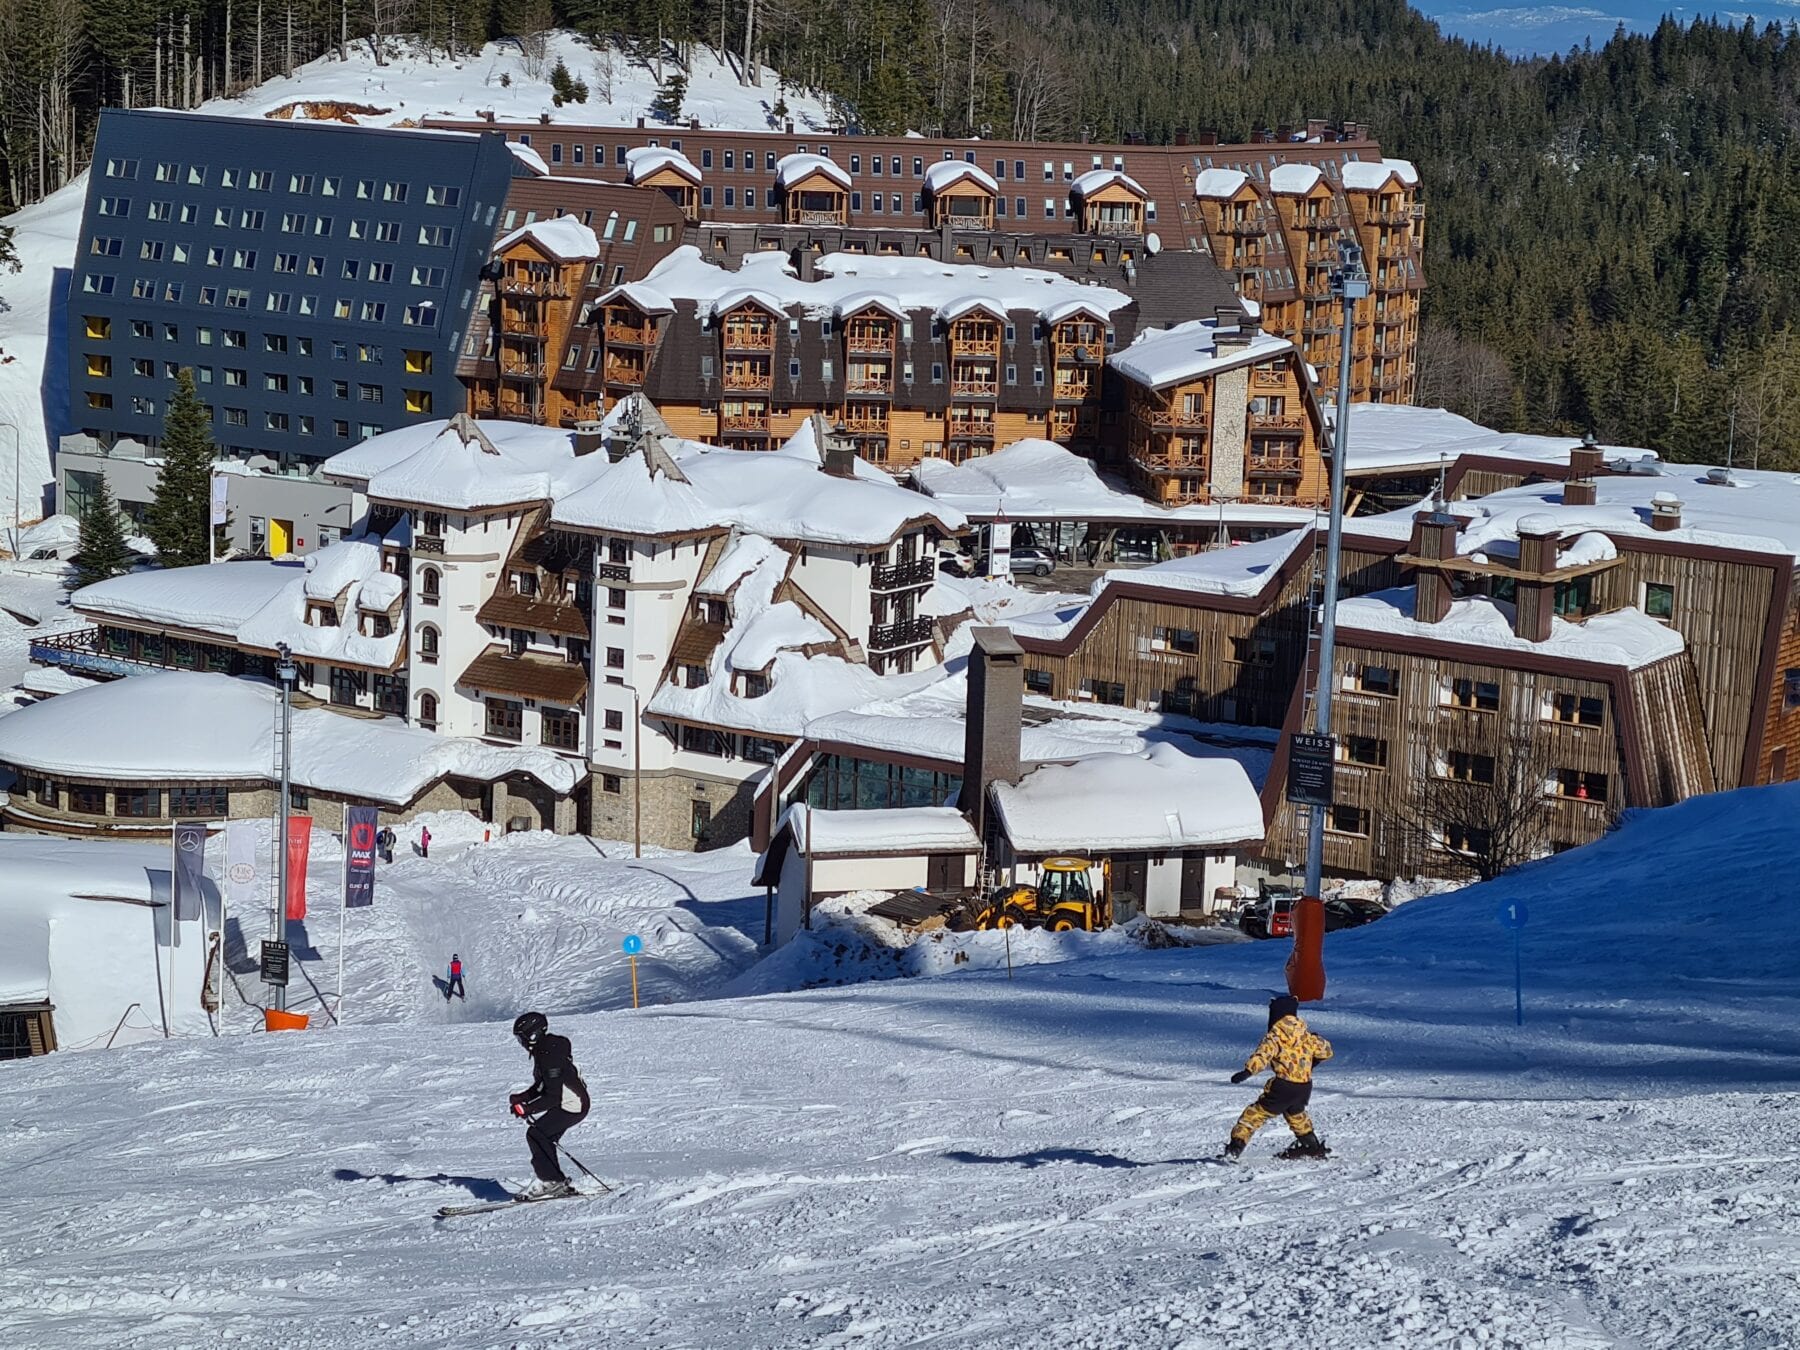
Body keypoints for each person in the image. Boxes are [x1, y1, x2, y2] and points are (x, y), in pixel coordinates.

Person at [1223, 994, 1332, 1161]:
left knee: (1255, 1113)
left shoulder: (1275, 1036)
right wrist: (1311, 1063)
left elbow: (1263, 1055)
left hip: (1283, 1086)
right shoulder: (1306, 1035)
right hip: (1304, 1087)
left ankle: (1236, 1147)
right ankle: (1312, 1146)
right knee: (1295, 1114)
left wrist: (1247, 1072)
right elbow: (1326, 1051)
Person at [508, 1011, 590, 1200]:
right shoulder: (545, 1050)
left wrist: (528, 1108)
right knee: (543, 1135)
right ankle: (554, 1181)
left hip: (572, 1105)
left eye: (521, 1039)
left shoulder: (548, 1055)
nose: (521, 1043)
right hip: (569, 1101)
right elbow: (542, 1086)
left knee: (536, 1134)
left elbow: (553, 1096)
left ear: (532, 1035)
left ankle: (551, 1181)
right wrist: (523, 1097)